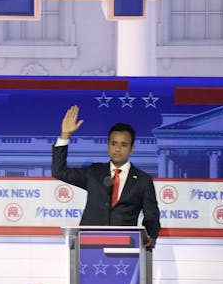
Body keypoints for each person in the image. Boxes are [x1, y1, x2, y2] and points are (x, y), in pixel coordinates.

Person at [51, 105, 160, 248]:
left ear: (132, 149)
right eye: (114, 144)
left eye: (124, 145)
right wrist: (65, 135)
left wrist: (151, 236)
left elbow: (151, 216)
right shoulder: (94, 172)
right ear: (108, 145)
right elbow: (59, 171)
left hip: (125, 247)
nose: (118, 149)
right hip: (89, 244)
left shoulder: (143, 180)